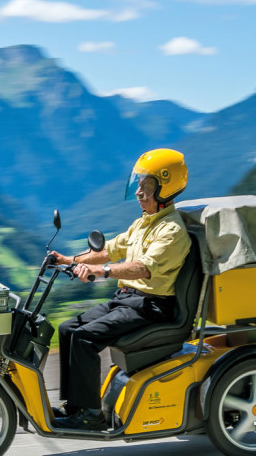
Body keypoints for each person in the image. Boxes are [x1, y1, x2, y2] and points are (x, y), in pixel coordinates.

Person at [48, 148, 192, 430]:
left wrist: (99, 272)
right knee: (67, 329)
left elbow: (143, 268)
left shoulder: (172, 231)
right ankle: (76, 405)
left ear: (166, 187)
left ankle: (91, 414)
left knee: (86, 339)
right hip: (128, 299)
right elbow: (110, 250)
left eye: (146, 185)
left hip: (152, 307)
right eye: (138, 184)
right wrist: (70, 260)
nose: (139, 191)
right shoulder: (143, 222)